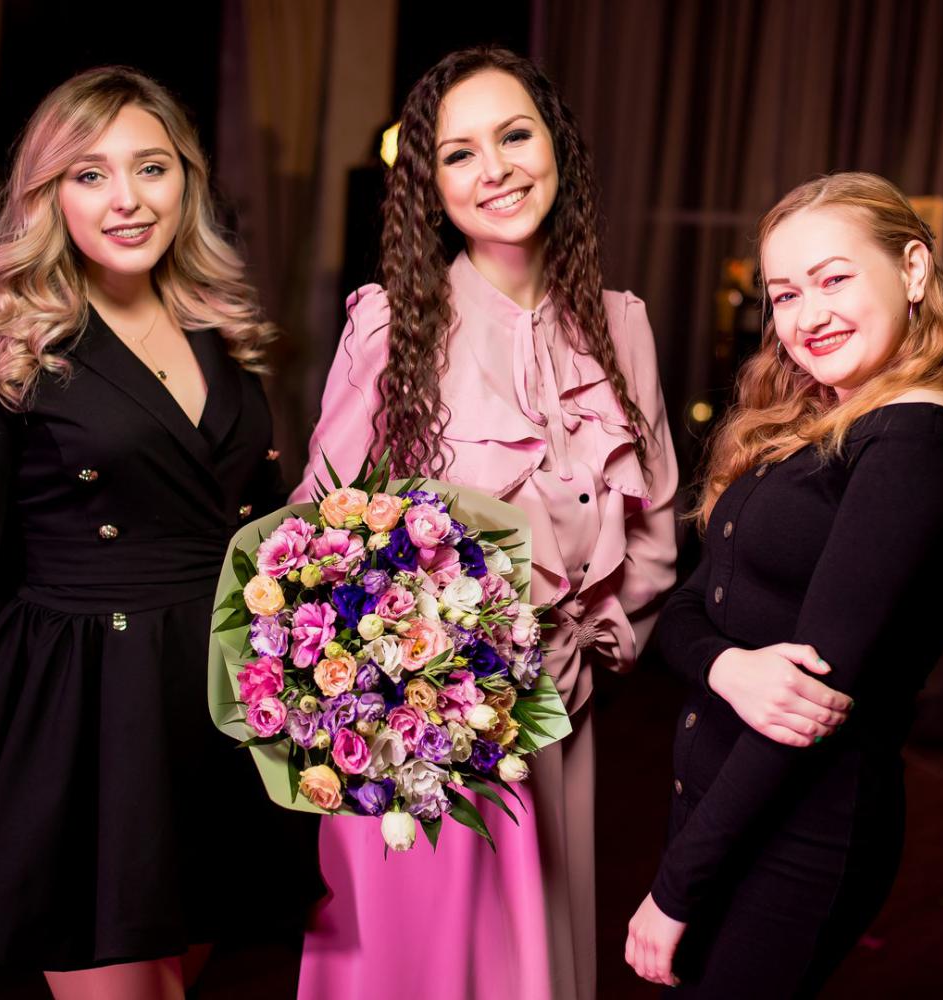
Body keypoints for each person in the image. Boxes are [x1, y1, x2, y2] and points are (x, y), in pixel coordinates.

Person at [0, 66, 315, 999]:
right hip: (81, 713)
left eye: (151, 167)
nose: (127, 199)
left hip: (219, 703)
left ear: (186, 181)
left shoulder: (220, 329)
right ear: (48, 194)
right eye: (90, 174)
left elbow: (269, 527)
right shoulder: (3, 346)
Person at [289, 47, 678, 1000]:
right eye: (459, 154)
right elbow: (315, 537)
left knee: (531, 969)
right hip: (414, 749)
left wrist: (579, 650)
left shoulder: (622, 327)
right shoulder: (391, 328)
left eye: (514, 136)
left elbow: (656, 532)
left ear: (557, 149)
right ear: (430, 185)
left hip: (555, 722)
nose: (495, 169)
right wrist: (417, 684)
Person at [625, 172, 943, 996]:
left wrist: (675, 890)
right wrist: (727, 666)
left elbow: (806, 711)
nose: (808, 316)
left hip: (798, 840)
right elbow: (687, 608)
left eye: (834, 279)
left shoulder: (916, 440)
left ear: (912, 270)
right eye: (785, 294)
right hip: (725, 816)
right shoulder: (812, 421)